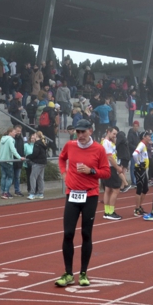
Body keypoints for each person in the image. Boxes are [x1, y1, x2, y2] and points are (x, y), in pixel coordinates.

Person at [55, 119, 110, 287]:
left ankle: (83, 273)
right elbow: (61, 159)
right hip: (72, 194)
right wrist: (64, 174)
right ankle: (68, 273)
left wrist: (91, 171)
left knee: (86, 234)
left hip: (90, 195)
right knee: (68, 233)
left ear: (90, 131)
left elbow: (106, 173)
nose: (80, 135)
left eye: (83, 132)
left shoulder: (99, 149)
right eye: (78, 132)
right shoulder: (70, 145)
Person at [101, 127, 125, 220]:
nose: (115, 136)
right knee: (116, 190)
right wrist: (117, 168)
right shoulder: (106, 143)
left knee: (108, 190)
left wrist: (114, 140)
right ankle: (110, 212)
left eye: (116, 134)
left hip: (108, 167)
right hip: (110, 168)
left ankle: (107, 212)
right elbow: (110, 157)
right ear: (108, 132)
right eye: (114, 134)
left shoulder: (108, 142)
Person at [0, 126, 22, 199]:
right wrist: (19, 157)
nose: (15, 133)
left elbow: (0, 149)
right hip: (8, 160)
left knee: (3, 176)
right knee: (10, 177)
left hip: (1, 159)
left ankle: (3, 192)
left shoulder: (2, 138)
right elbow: (13, 150)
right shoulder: (10, 139)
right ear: (10, 132)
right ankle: (6, 193)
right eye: (14, 132)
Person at [132, 131, 152, 216]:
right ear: (144, 137)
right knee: (139, 189)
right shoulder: (141, 144)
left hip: (143, 170)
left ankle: (139, 206)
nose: (150, 137)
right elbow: (134, 154)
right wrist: (139, 163)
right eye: (148, 136)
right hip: (139, 169)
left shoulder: (144, 145)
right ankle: (137, 209)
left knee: (145, 189)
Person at [28, 131, 47, 200]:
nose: (33, 136)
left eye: (34, 135)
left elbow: (35, 154)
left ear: (36, 136)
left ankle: (32, 193)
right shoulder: (42, 143)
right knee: (40, 178)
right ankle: (40, 193)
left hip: (38, 162)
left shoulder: (37, 144)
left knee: (32, 177)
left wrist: (28, 156)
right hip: (43, 162)